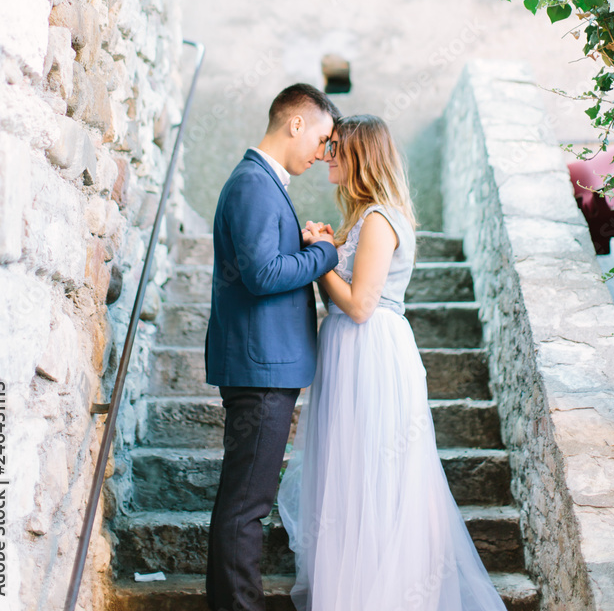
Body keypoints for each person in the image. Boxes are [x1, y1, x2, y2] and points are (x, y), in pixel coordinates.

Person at [277, 114, 508, 611]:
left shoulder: (380, 219)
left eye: (336, 147)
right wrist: (326, 245)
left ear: (361, 156)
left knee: (373, 474)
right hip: (347, 352)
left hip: (371, 352)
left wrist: (319, 258)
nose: (326, 154)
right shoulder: (361, 220)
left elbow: (360, 305)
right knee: (347, 474)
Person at [204, 83, 341, 611]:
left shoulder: (260, 182)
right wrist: (325, 254)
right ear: (296, 123)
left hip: (263, 364)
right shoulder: (255, 184)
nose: (323, 152)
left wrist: (307, 248)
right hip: (262, 368)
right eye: (323, 138)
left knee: (242, 502)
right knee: (247, 507)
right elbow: (263, 274)